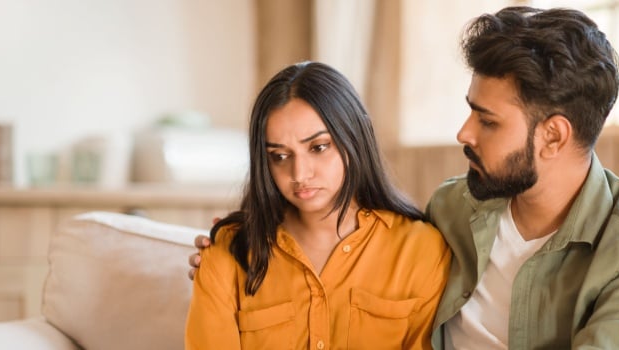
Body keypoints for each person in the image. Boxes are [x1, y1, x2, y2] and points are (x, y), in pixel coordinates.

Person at [190, 6, 619, 349]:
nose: (463, 132)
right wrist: (236, 247)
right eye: (470, 111)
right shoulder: (451, 210)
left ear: (554, 136)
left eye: (489, 121)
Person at [184, 61, 451, 349]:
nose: (299, 175)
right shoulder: (228, 251)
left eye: (318, 147)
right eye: (280, 156)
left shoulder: (421, 251)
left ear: (354, 138)